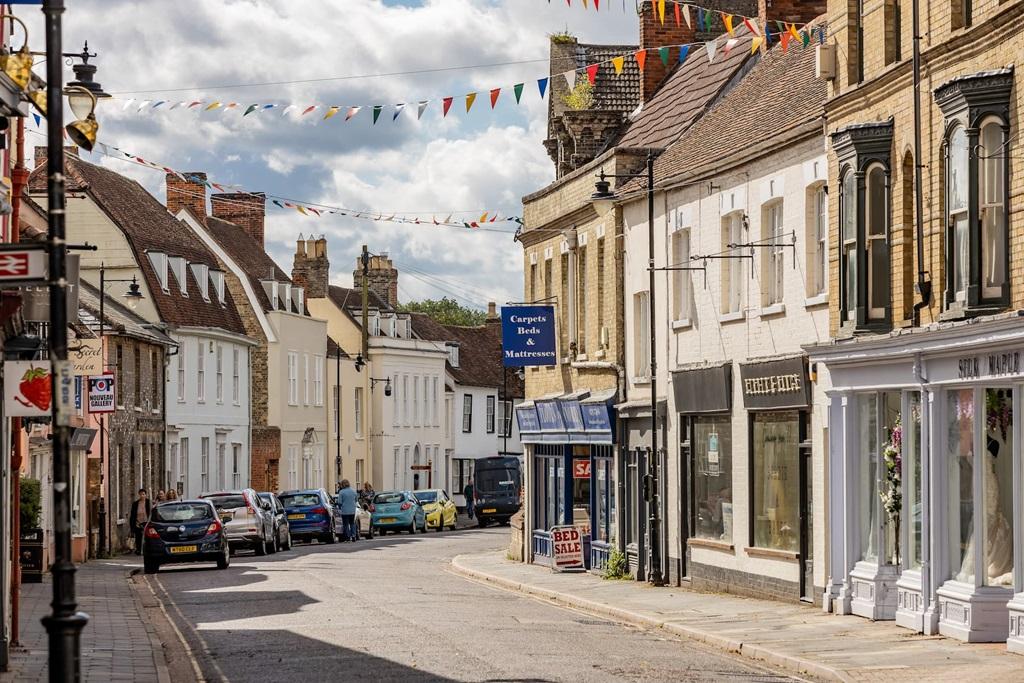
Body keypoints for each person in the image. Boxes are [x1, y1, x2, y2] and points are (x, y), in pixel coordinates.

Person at [129, 489, 151, 555]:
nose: (142, 496)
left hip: (146, 522)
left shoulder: (148, 502)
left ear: (146, 495)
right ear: (139, 495)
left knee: (147, 537)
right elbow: (132, 515)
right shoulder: (135, 503)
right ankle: (138, 549)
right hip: (138, 522)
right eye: (141, 494)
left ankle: (146, 549)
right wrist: (132, 526)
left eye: (143, 494)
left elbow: (151, 512)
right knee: (138, 537)